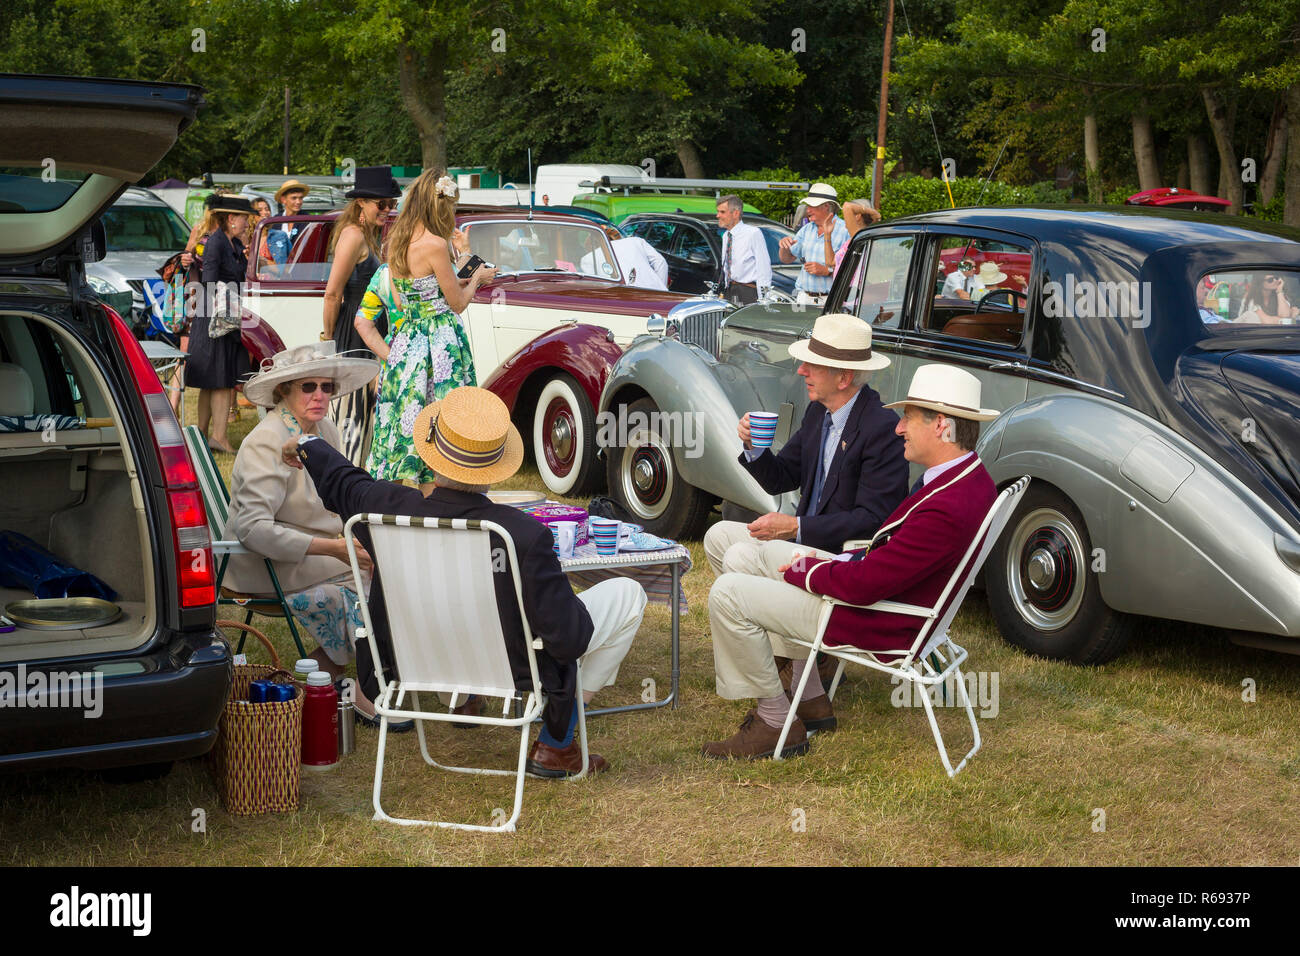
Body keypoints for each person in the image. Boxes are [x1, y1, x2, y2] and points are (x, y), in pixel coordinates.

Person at [282, 385, 647, 776]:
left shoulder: (385, 508)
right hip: (510, 667)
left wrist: (305, 442)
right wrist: (566, 603)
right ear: (495, 468)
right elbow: (569, 638)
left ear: (434, 457)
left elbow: (343, 479)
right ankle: (558, 744)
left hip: (414, 659)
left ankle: (463, 698)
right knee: (627, 594)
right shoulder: (522, 534)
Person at [703, 364, 998, 759]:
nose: (899, 427)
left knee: (727, 593)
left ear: (942, 426)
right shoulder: (967, 480)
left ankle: (775, 720)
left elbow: (866, 583)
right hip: (875, 597)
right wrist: (825, 562)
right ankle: (804, 695)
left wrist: (808, 570)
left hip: (872, 618)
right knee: (746, 552)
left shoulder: (947, 504)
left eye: (909, 418)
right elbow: (885, 556)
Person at [223, 342, 395, 725]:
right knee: (369, 582)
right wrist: (336, 548)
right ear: (284, 390)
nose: (319, 395)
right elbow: (253, 530)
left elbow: (337, 497)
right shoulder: (266, 441)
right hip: (265, 564)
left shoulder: (324, 429)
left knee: (384, 565)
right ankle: (368, 685)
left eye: (327, 387)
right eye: (308, 387)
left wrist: (356, 537)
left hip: (312, 551)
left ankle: (324, 680)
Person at [704, 312, 909, 576]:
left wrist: (795, 527)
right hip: (803, 544)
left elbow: (873, 521)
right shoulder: (818, 412)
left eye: (813, 364)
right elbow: (781, 478)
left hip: (839, 559)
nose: (801, 370)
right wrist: (753, 446)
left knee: (740, 555)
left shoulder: (882, 428)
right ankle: (761, 609)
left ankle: (771, 610)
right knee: (717, 534)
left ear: (844, 378)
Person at [354, 168, 497, 493]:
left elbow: (430, 289)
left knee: (416, 422)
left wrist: (466, 256)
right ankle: (439, 499)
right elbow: (457, 302)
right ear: (439, 207)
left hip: (409, 342)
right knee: (442, 422)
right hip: (439, 342)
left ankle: (408, 502)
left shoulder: (400, 245)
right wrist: (478, 278)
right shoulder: (434, 244)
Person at [323, 165, 401, 466]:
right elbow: (332, 294)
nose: (387, 210)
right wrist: (327, 341)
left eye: (391, 204)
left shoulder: (369, 235)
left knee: (369, 423)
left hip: (372, 332)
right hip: (353, 337)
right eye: (381, 204)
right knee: (351, 423)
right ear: (361, 203)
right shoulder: (353, 235)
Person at [186, 194, 253, 455]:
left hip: (216, 316)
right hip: (216, 318)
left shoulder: (231, 243)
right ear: (230, 219)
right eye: (244, 218)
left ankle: (203, 437)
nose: (247, 222)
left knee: (212, 380)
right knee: (221, 380)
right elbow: (210, 282)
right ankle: (218, 438)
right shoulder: (217, 244)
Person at [778, 183, 849, 306]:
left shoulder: (845, 231)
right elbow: (787, 259)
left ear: (826, 206)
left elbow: (852, 270)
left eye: (812, 205)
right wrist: (784, 246)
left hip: (830, 300)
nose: (808, 210)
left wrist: (827, 271)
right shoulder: (806, 229)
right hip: (803, 298)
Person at [714, 194, 773, 304]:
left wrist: (764, 299)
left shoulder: (753, 233)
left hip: (748, 291)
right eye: (718, 212)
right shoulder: (726, 235)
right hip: (730, 289)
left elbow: (764, 268)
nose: (717, 215)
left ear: (735, 213)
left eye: (722, 212)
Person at [584, 225, 668, 289]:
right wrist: (661, 287)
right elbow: (661, 262)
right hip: (656, 293)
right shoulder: (636, 241)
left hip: (626, 300)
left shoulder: (589, 257)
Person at [265, 179, 310, 272]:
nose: (298, 202)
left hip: (301, 271)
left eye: (301, 198)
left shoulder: (308, 220)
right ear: (283, 200)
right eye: (294, 198)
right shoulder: (275, 221)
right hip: (277, 273)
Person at [833, 198, 880, 276]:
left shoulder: (860, 236)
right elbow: (832, 263)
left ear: (858, 216)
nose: (845, 219)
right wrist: (827, 234)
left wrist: (873, 213)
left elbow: (847, 206)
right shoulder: (855, 237)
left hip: (852, 287)